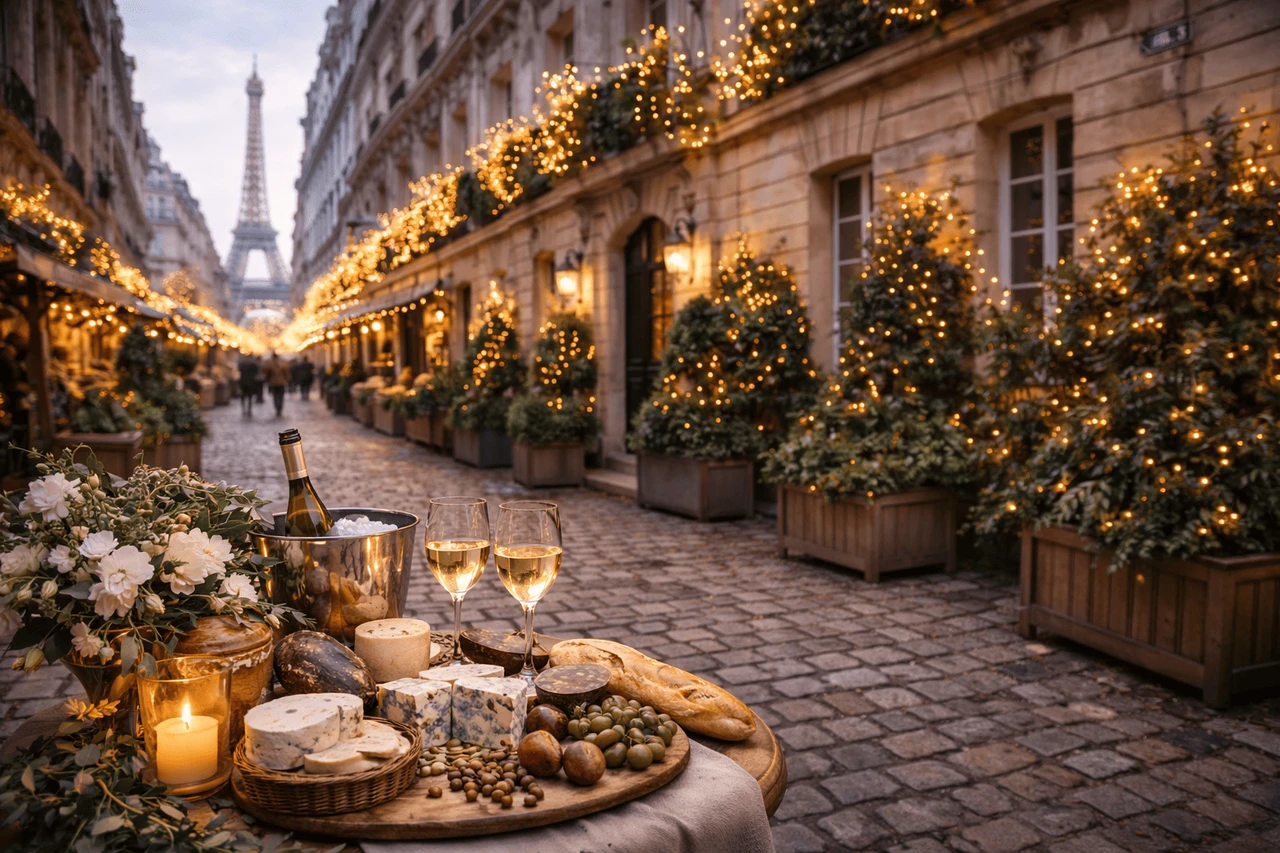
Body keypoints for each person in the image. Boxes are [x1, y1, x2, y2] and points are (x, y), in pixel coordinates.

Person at [263, 351, 290, 418]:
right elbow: (286, 373)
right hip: (281, 382)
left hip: (273, 383)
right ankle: (279, 409)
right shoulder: (283, 363)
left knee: (275, 396)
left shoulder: (270, 364)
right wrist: (287, 380)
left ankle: (277, 409)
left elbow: (267, 373)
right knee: (281, 397)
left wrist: (268, 381)